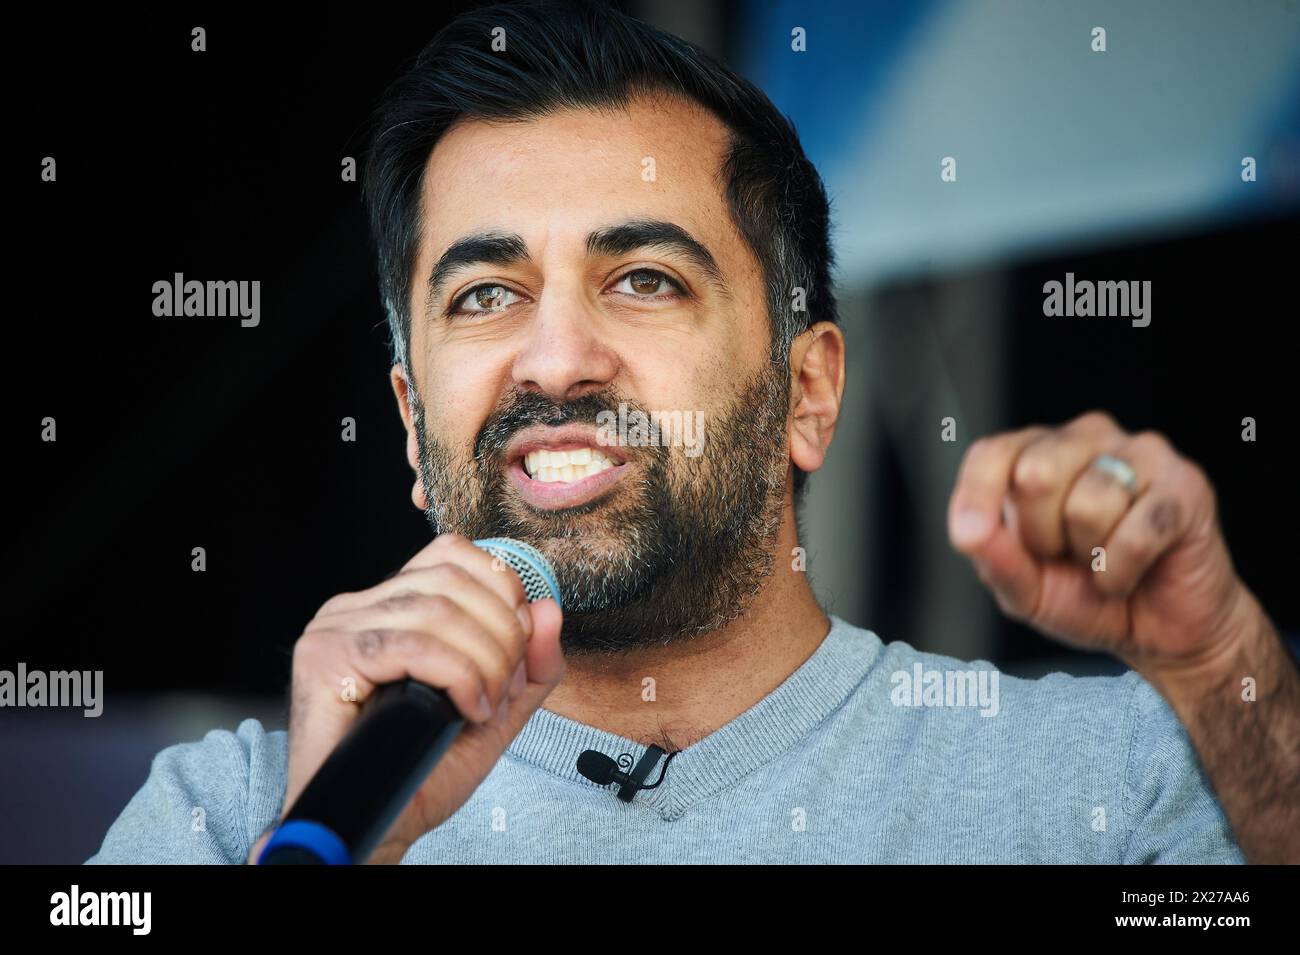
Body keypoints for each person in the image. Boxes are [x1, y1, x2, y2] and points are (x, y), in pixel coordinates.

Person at [89, 0, 1297, 865]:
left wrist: (1216, 666)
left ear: (808, 393)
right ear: (412, 426)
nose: (556, 359)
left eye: (645, 278)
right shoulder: (230, 811)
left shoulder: (1103, 780)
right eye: (484, 295)